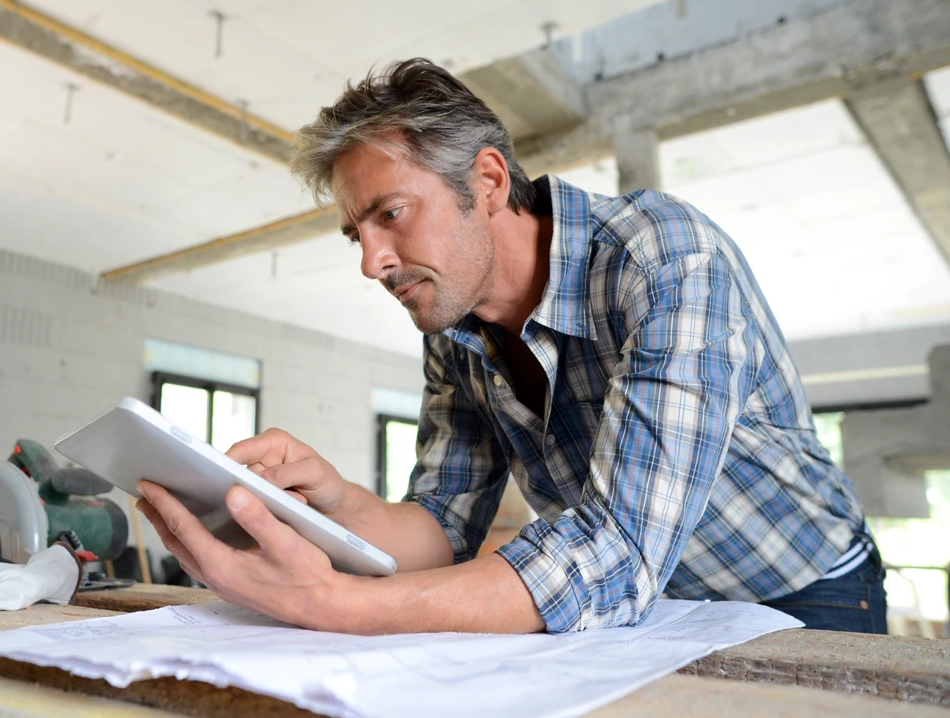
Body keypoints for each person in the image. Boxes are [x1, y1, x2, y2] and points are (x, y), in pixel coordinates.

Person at [136, 59, 885, 635]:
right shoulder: (455, 333)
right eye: (356, 234)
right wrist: (338, 505)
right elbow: (443, 524)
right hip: (661, 615)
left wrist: (342, 603)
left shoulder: (662, 260)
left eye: (390, 214)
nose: (371, 261)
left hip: (805, 588)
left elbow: (616, 555)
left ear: (488, 180)